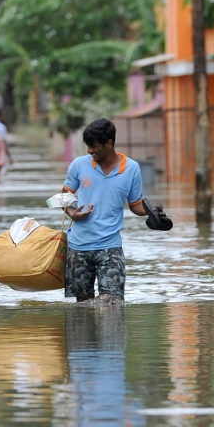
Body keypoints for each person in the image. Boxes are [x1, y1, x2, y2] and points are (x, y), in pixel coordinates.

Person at [59, 117, 147, 304]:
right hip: (78, 248)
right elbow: (62, 197)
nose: (90, 151)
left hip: (110, 247)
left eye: (93, 146)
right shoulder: (78, 165)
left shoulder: (131, 169)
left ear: (109, 143)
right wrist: (72, 213)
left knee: (112, 303)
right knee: (83, 308)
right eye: (87, 146)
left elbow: (136, 205)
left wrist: (151, 211)